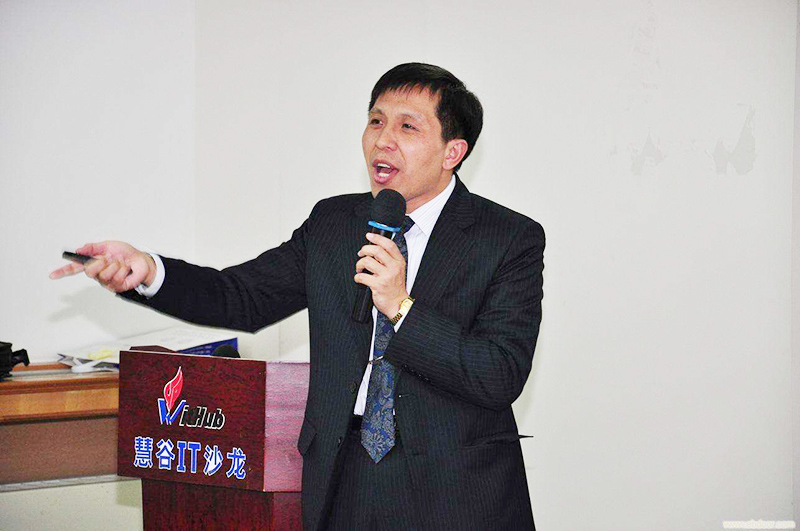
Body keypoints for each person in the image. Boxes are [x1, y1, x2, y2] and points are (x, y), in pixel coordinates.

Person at [50, 63, 545, 530]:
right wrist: (148, 270)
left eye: (407, 127)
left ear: (452, 152)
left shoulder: (507, 238)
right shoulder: (334, 223)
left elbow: (499, 373)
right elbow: (242, 296)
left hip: (457, 490)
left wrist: (402, 308)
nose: (382, 140)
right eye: (375, 121)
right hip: (343, 475)